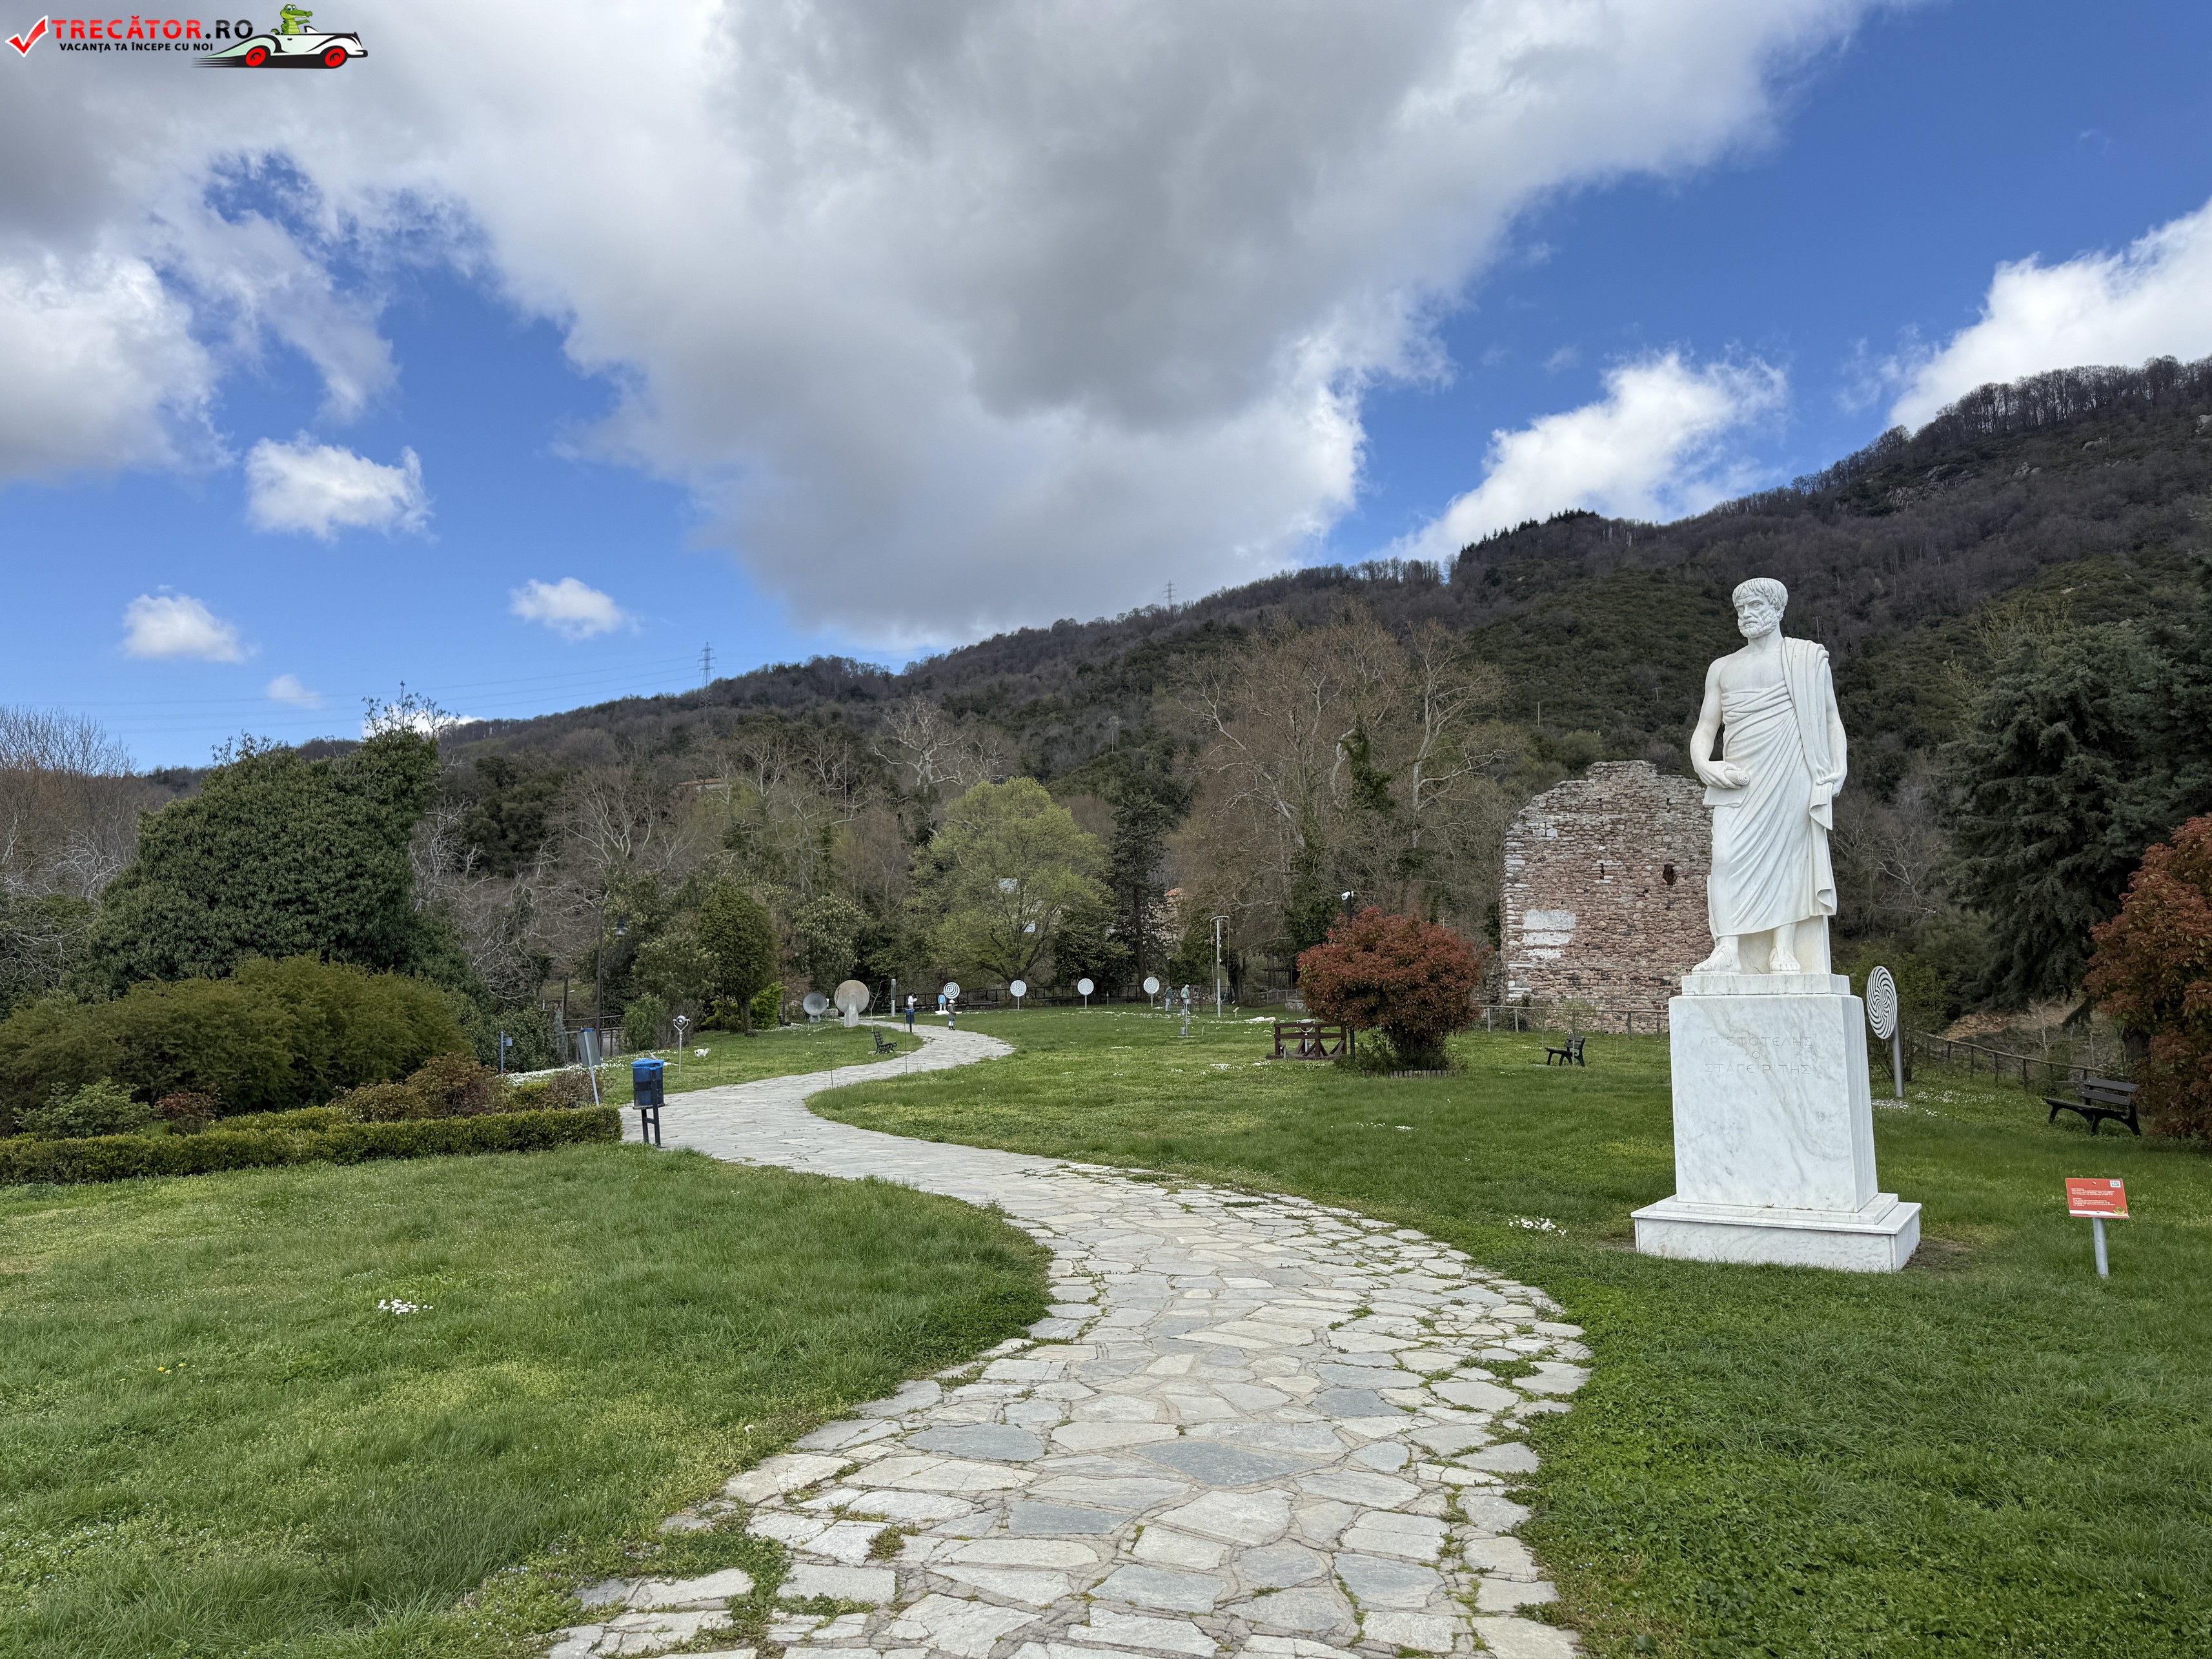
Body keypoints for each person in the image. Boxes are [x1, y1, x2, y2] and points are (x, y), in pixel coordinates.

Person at [1687, 576, 1848, 975]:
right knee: (1724, 857)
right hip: (1737, 778)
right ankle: (1727, 948)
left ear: (1777, 610)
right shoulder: (1722, 668)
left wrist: (1839, 767)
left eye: (1755, 607)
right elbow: (1706, 727)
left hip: (1792, 772)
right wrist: (1704, 764)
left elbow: (1831, 719)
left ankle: (1783, 948)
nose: (1746, 615)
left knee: (1788, 860)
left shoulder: (1807, 659)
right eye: (1740, 609)